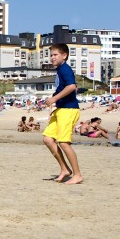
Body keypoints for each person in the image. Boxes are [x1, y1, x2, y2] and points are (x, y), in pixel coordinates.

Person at [40, 43, 83, 184]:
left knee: (64, 142)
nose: (52, 58)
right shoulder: (59, 70)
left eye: (55, 55)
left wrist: (55, 98)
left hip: (69, 109)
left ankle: (77, 174)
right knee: (48, 139)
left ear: (64, 56)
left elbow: (72, 86)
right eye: (51, 55)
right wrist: (53, 101)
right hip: (60, 109)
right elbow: (62, 89)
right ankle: (65, 169)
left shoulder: (65, 69)